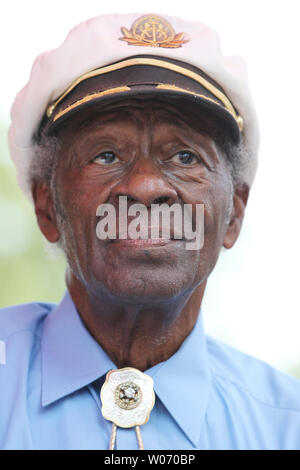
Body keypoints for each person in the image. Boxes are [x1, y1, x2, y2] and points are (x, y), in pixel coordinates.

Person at [1, 12, 300, 450]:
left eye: (184, 157)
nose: (144, 186)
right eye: (105, 155)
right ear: (48, 209)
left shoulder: (285, 427)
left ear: (234, 214)